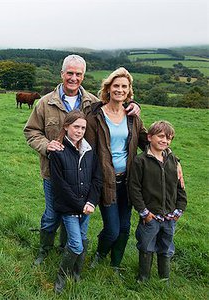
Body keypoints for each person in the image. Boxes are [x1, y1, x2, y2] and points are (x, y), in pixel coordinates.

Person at [24, 55, 140, 266]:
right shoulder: (45, 103)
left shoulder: (93, 104)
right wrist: (45, 146)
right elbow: (31, 131)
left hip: (83, 175)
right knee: (52, 215)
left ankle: (66, 249)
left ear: (83, 76)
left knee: (77, 214)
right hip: (53, 172)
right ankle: (44, 249)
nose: (73, 78)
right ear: (62, 74)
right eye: (70, 73)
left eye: (78, 74)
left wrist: (133, 105)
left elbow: (117, 106)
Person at [85, 67, 148, 274]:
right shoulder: (96, 117)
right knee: (112, 229)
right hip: (106, 181)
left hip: (129, 181)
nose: (120, 90)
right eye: (116, 86)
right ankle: (100, 254)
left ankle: (115, 264)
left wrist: (172, 161)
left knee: (124, 228)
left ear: (129, 91)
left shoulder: (133, 117)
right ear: (108, 89)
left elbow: (146, 142)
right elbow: (89, 150)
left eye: (124, 86)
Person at [48, 111, 102, 293]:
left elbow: (97, 178)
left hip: (87, 207)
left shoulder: (89, 151)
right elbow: (59, 185)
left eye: (83, 128)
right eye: (76, 127)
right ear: (66, 127)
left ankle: (76, 273)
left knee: (83, 238)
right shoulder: (58, 152)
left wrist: (92, 202)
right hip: (70, 208)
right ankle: (61, 277)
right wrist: (80, 205)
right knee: (76, 244)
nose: (79, 131)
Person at [129, 121, 187, 282]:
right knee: (146, 246)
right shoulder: (140, 161)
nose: (165, 141)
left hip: (170, 216)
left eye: (169, 138)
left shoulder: (173, 160)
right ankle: (143, 278)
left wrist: (179, 209)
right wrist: (144, 212)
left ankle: (164, 278)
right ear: (149, 137)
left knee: (166, 246)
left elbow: (180, 186)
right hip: (150, 216)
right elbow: (134, 189)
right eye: (161, 136)